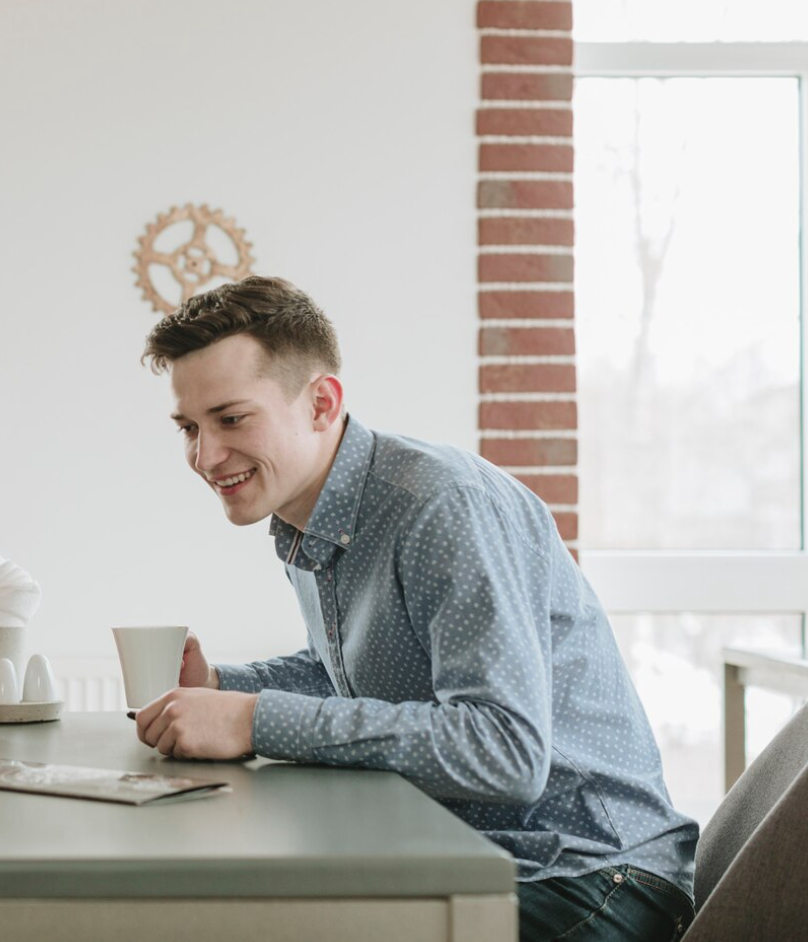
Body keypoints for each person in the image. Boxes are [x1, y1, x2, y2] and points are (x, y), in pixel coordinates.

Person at [133, 276, 698, 942]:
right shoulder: (308, 519)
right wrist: (225, 688)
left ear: (321, 403)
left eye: (231, 419)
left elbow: (506, 752)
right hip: (484, 859)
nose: (205, 455)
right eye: (189, 428)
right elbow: (360, 679)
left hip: (591, 874)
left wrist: (255, 721)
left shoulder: (438, 504)